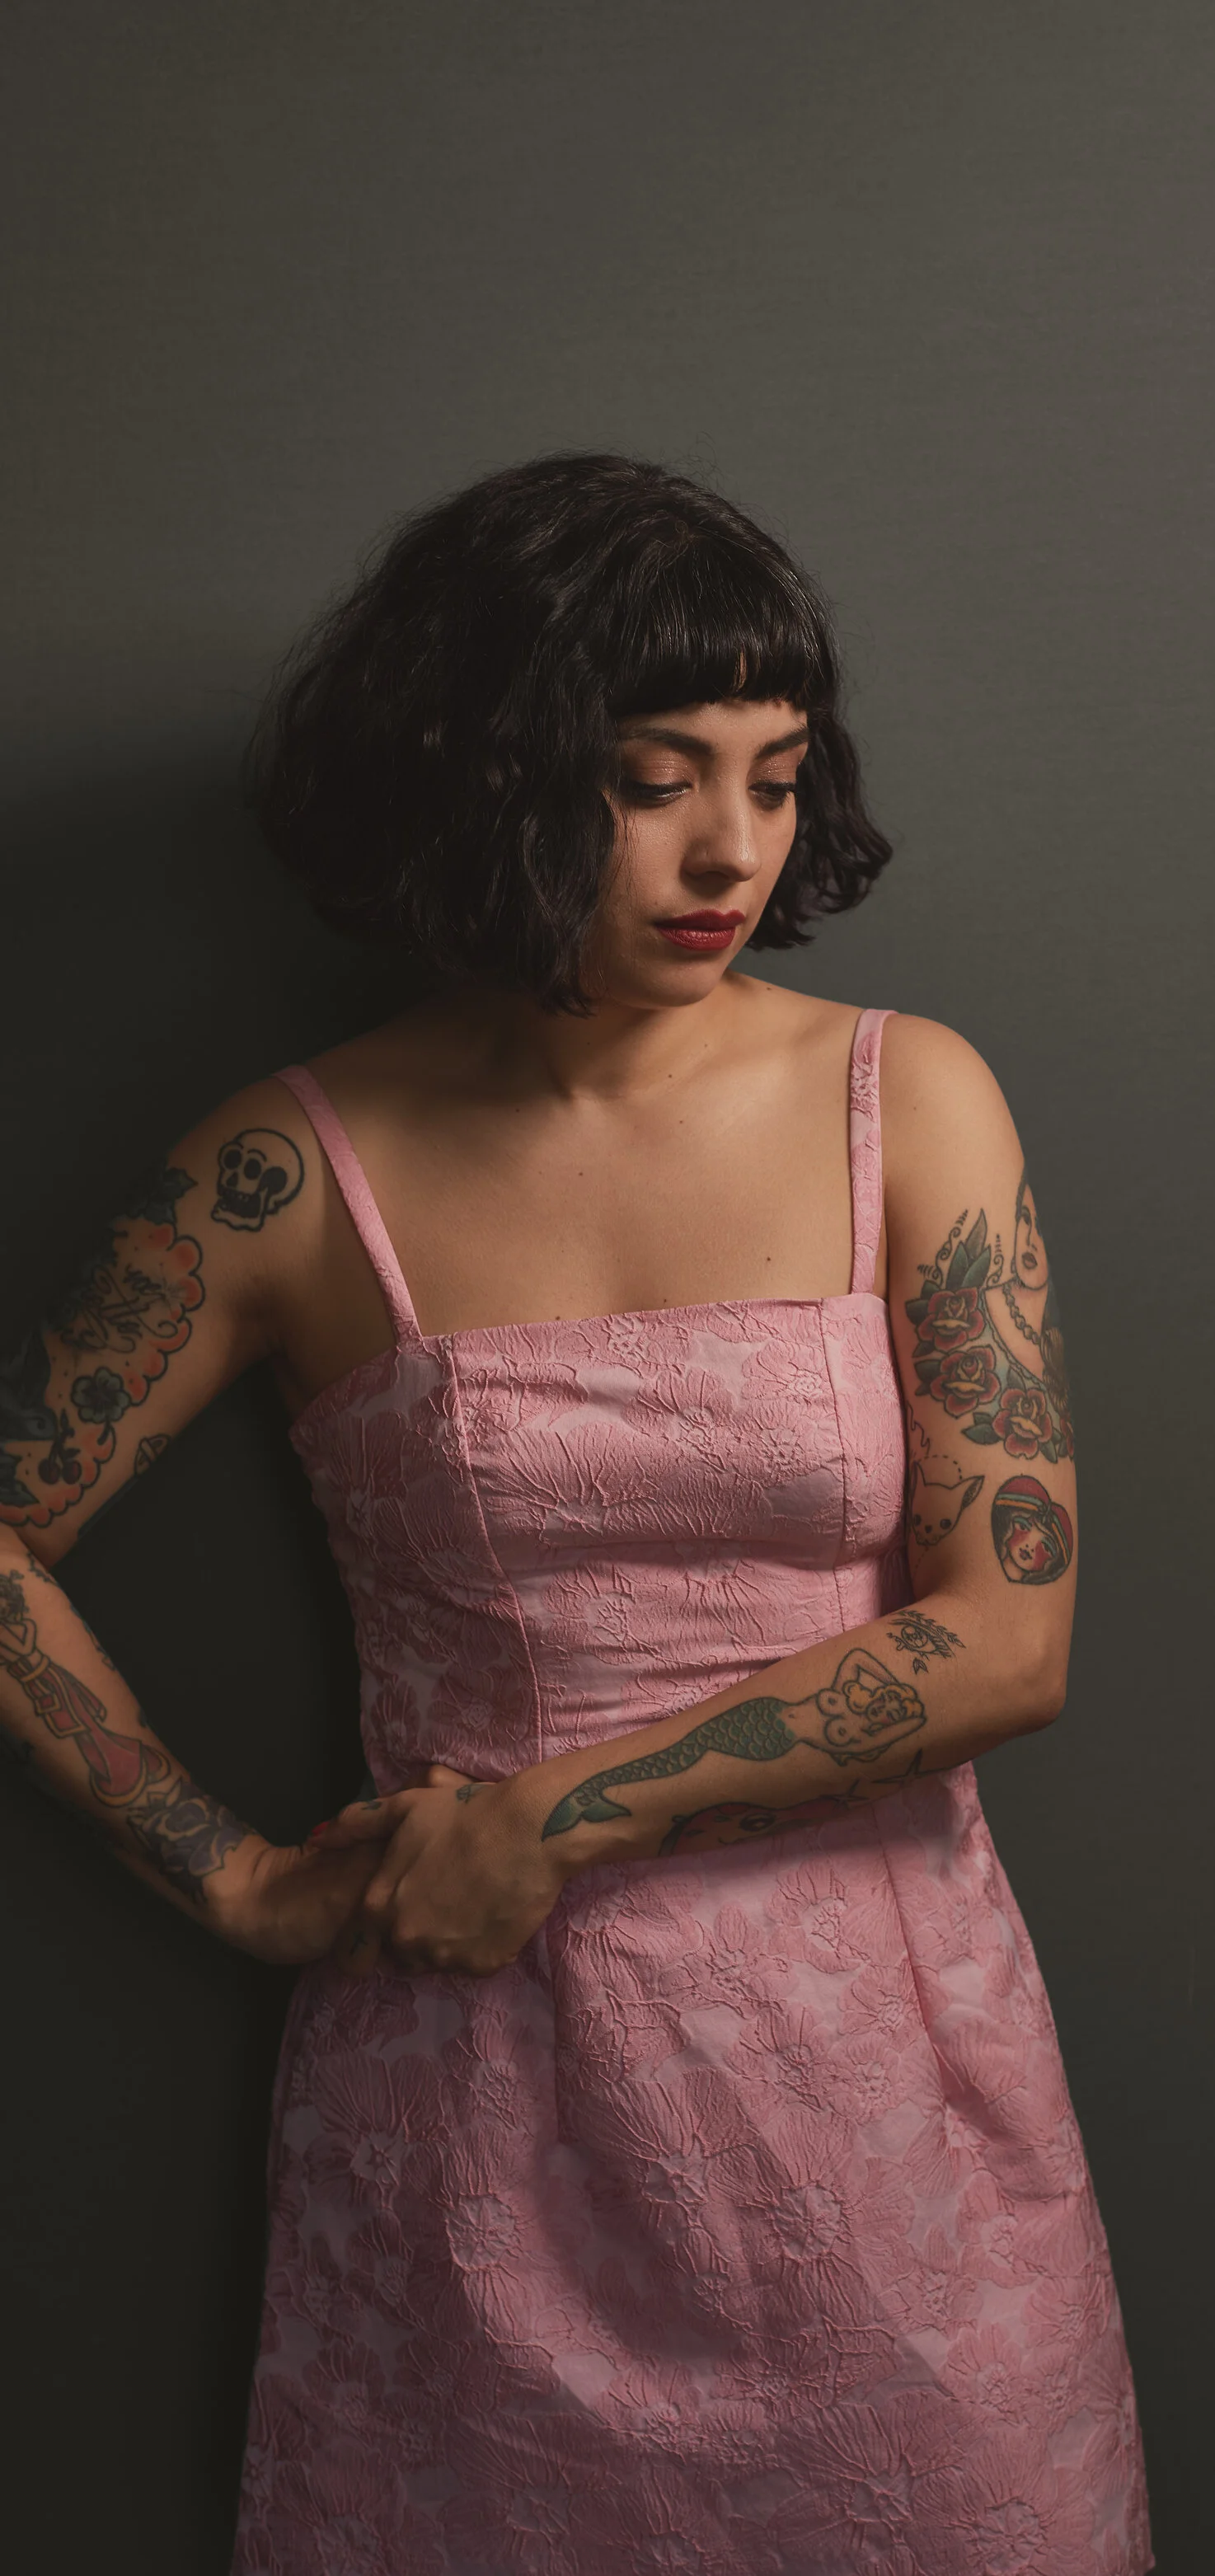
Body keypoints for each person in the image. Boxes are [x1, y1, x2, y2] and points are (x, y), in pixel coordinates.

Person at [0, 453, 1152, 2575]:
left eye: (776, 777)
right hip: (479, 2090)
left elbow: (1009, 1635)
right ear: (483, 772)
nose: (732, 850)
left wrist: (553, 1813)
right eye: (651, 780)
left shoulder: (909, 1099)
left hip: (891, 2093)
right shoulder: (290, 1172)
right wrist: (234, 1877)